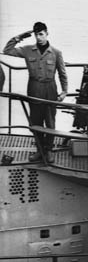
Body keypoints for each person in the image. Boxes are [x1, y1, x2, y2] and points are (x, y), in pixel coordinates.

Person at [3, 22, 68, 163]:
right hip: (34, 89)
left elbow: (63, 73)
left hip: (50, 89)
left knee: (50, 122)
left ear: (47, 33)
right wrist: (20, 37)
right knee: (36, 123)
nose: (39, 38)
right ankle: (39, 150)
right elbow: (7, 50)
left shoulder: (56, 53)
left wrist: (64, 92)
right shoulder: (27, 50)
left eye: (41, 34)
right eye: (36, 34)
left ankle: (49, 150)